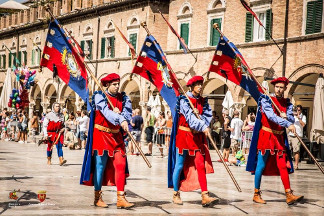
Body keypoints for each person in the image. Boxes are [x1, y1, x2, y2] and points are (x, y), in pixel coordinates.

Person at [80, 73, 134, 209]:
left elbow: (127, 114)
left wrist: (122, 117)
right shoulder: (100, 96)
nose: (117, 86)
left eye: (118, 84)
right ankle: (97, 197)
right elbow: (105, 112)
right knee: (100, 166)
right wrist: (117, 116)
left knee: (120, 164)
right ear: (108, 85)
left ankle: (121, 197)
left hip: (116, 136)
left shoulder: (124, 98)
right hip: (101, 135)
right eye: (114, 84)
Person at [246, 77, 303, 205]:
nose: (278, 89)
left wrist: (287, 118)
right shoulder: (266, 100)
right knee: (261, 165)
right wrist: (285, 121)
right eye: (277, 87)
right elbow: (271, 116)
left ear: (285, 88)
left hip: (279, 138)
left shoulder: (288, 103)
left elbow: (291, 118)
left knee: (283, 165)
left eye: (281, 87)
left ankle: (288, 194)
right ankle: (256, 193)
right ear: (274, 87)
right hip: (266, 136)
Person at [168, 76, 217, 207]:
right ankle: (175, 193)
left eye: (201, 84)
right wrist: (201, 124)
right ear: (191, 86)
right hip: (184, 136)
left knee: (200, 164)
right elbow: (190, 119)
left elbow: (208, 116)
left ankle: (205, 195)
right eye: (197, 84)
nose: (200, 87)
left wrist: (202, 121)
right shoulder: (184, 100)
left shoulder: (203, 101)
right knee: (179, 165)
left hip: (197, 137)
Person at [288, 105, 306, 169]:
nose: (297, 111)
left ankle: (296, 164)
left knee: (296, 150)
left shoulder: (303, 116)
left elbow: (303, 125)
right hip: (290, 134)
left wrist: (299, 118)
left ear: (301, 110)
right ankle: (287, 163)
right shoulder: (292, 116)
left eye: (298, 110)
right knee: (287, 149)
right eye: (296, 110)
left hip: (297, 135)